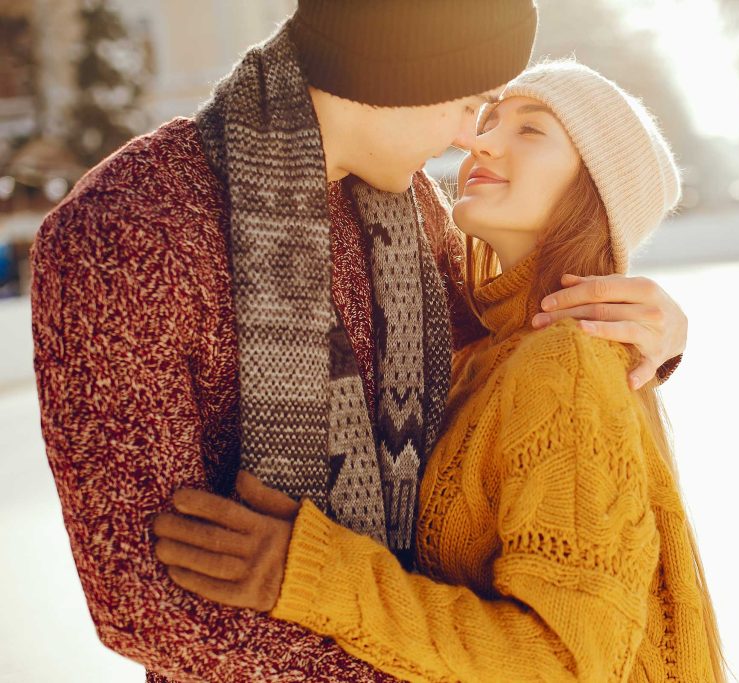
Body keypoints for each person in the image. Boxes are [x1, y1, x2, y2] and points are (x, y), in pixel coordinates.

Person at [30, 3, 689, 682]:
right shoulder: (127, 233)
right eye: (468, 103)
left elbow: (515, 366)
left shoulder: (410, 214)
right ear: (401, 70)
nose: (472, 136)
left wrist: (642, 340)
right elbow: (142, 603)